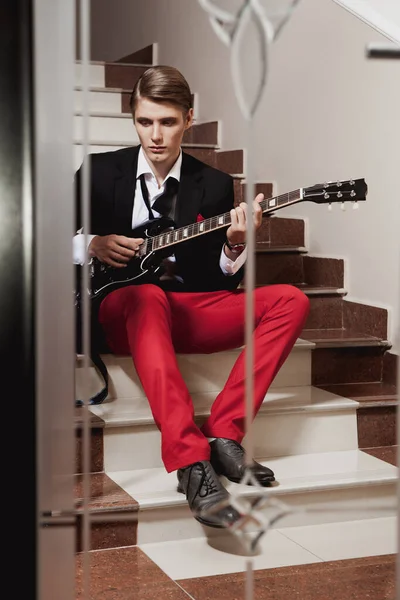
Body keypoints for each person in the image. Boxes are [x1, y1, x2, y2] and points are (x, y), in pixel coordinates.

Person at [74, 65, 310, 529]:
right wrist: (91, 243)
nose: (155, 136)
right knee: (145, 297)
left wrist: (237, 243)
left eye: (167, 122)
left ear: (188, 119)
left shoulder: (215, 184)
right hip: (119, 308)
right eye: (145, 122)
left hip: (183, 307)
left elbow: (217, 281)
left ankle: (224, 434)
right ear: (133, 118)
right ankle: (189, 462)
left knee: (291, 300)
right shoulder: (101, 171)